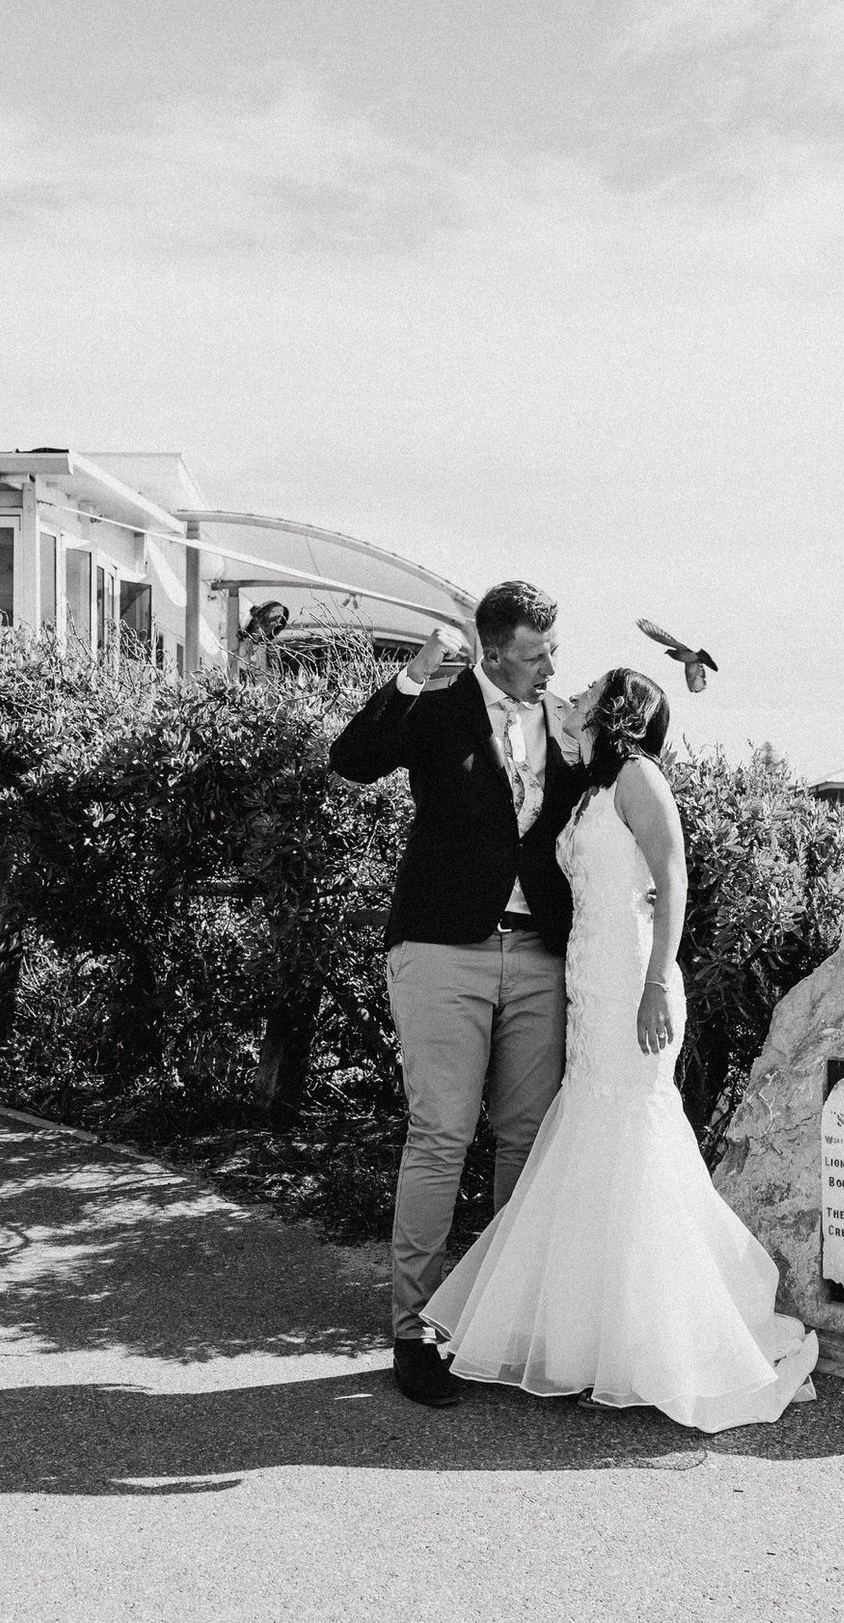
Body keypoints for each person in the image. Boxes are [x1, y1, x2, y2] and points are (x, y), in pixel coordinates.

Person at [421, 668, 818, 1432]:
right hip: (589, 984)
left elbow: (673, 880)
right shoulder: (593, 785)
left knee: (633, 1138)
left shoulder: (641, 777)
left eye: (599, 685)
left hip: (633, 980)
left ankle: (664, 1342)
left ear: (624, 712)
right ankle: (591, 1339)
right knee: (590, 1140)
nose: (584, 688)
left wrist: (655, 986)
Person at [328, 581, 587, 1408]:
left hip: (541, 952)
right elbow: (353, 759)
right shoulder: (438, 708)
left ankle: (499, 1319)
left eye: (553, 648)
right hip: (444, 948)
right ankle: (416, 1333)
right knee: (440, 1135)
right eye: (537, 650)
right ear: (493, 648)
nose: (551, 663)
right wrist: (410, 675)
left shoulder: (567, 723)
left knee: (524, 1139)